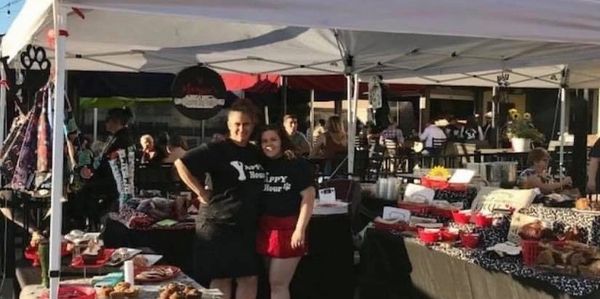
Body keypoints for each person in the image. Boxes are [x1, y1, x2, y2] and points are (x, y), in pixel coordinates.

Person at [175, 99, 265, 299]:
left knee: (249, 278)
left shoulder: (256, 153)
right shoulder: (217, 149)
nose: (241, 129)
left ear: (253, 125)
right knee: (221, 279)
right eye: (237, 124)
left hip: (247, 227)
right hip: (218, 226)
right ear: (229, 125)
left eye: (246, 124)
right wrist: (200, 191)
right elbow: (182, 163)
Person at [257, 125, 316, 299]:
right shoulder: (262, 164)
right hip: (265, 228)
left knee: (278, 284)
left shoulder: (296, 164)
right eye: (264, 141)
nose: (269, 144)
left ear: (282, 140)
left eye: (273, 139)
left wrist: (300, 229)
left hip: (288, 228)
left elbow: (309, 197)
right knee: (271, 282)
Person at [84, 107, 135, 221]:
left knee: (83, 191)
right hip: (118, 181)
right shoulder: (124, 137)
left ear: (116, 121)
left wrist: (90, 171)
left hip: (112, 181)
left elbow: (103, 160)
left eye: (107, 120)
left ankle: (92, 219)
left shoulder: (118, 139)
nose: (105, 123)